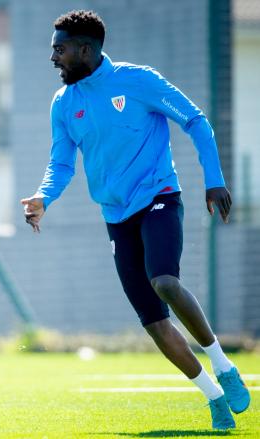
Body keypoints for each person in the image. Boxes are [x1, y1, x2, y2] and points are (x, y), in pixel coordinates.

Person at [21, 10, 250, 430]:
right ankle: (214, 397)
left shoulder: (138, 80)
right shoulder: (64, 103)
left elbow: (195, 121)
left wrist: (213, 180)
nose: (53, 57)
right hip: (116, 216)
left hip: (160, 197)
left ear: (85, 50)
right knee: (153, 320)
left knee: (163, 280)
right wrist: (43, 197)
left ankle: (223, 364)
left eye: (60, 49)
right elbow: (61, 163)